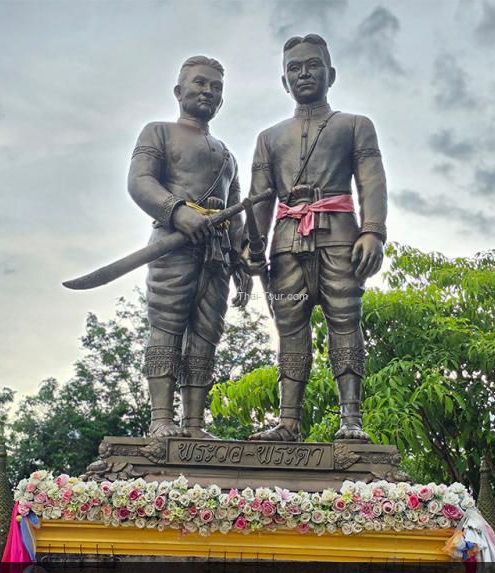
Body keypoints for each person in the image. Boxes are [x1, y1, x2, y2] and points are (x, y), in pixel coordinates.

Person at [243, 34, 388, 442]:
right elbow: (259, 198)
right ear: (284, 80)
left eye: (312, 65)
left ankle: (351, 419)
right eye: (294, 68)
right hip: (286, 243)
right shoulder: (268, 138)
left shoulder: (354, 125)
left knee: (345, 320)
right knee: (289, 325)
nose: (303, 73)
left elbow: (372, 180)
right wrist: (248, 246)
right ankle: (288, 421)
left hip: (341, 239)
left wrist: (373, 231)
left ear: (331, 73)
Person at [128, 56, 251, 438]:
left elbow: (236, 210)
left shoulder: (227, 153)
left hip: (217, 255)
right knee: (167, 324)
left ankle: (195, 423)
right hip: (173, 246)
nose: (207, 91)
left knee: (206, 332)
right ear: (179, 91)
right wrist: (176, 211)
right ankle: (161, 419)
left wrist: (241, 258)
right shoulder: (158, 133)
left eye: (215, 87)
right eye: (200, 83)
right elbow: (140, 181)